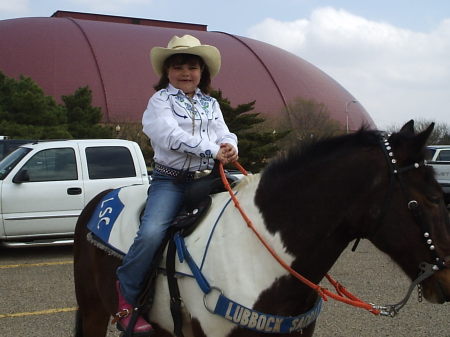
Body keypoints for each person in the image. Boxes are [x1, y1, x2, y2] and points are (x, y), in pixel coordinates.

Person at [115, 34, 238, 334]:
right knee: (151, 233)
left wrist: (231, 146)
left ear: (202, 73)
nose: (186, 73)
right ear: (167, 72)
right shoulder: (159, 101)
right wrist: (212, 150)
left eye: (192, 67)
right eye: (179, 66)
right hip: (171, 182)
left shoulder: (211, 104)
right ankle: (125, 297)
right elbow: (169, 136)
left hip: (209, 177)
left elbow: (225, 132)